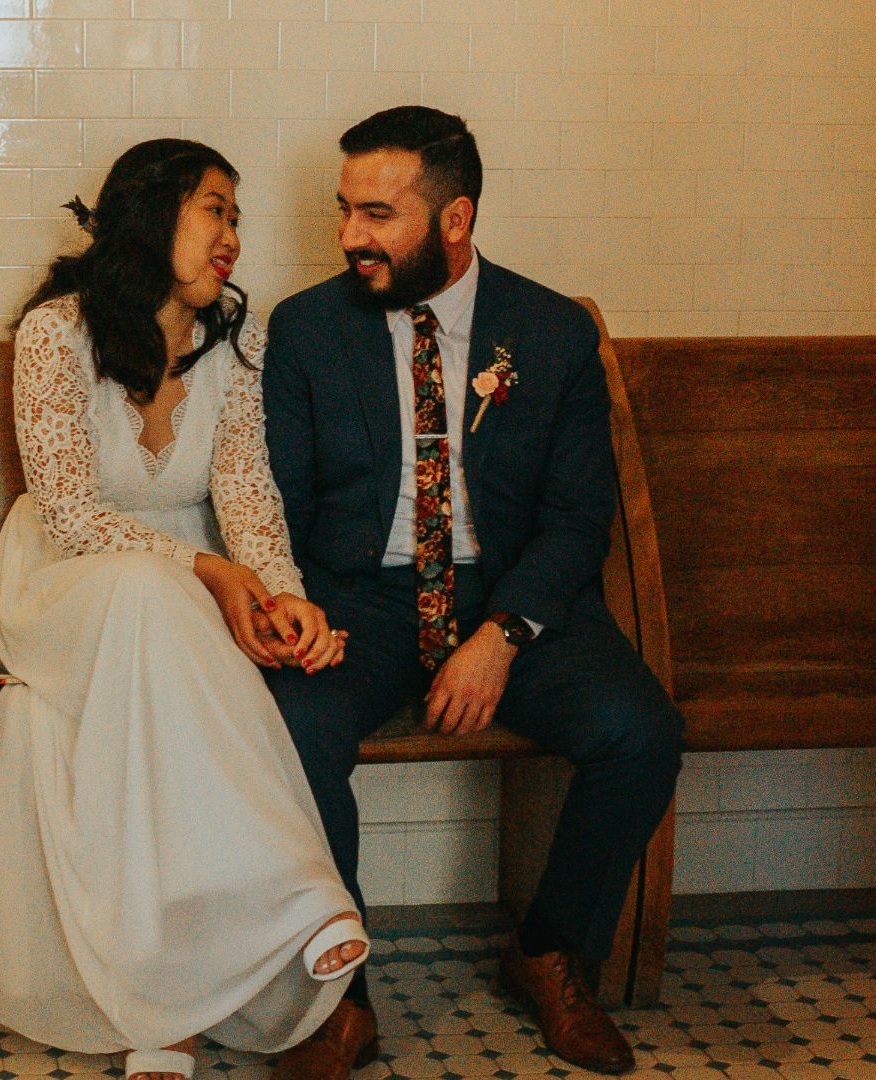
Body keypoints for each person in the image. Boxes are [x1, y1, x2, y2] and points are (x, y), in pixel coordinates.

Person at [260, 107, 685, 1080]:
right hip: (355, 601)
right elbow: (275, 500)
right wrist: (295, 605)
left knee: (641, 729)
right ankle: (341, 999)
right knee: (290, 729)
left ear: (455, 220)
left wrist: (501, 633)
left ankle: (547, 952)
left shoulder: (551, 332)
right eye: (342, 210)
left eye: (378, 213)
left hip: (511, 595)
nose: (349, 237)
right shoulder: (307, 330)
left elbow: (580, 519)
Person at [0, 139, 372, 1080]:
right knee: (151, 590)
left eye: (237, 215)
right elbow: (67, 507)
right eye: (214, 209)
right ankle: (297, 897)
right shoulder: (54, 334)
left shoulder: (238, 340)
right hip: (65, 583)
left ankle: (165, 1017)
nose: (234, 234)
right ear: (153, 215)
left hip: (179, 602)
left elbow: (249, 500)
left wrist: (283, 601)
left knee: (156, 693)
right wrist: (214, 577)